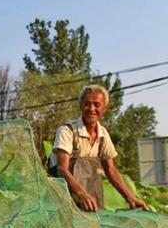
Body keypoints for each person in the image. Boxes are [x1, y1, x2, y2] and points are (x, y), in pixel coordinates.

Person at [49, 84, 149, 212]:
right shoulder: (67, 131)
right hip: (62, 199)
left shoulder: (103, 134)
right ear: (81, 106)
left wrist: (130, 197)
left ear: (104, 109)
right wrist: (81, 194)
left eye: (97, 104)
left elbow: (111, 170)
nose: (91, 109)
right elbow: (62, 169)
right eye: (87, 104)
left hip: (91, 198)